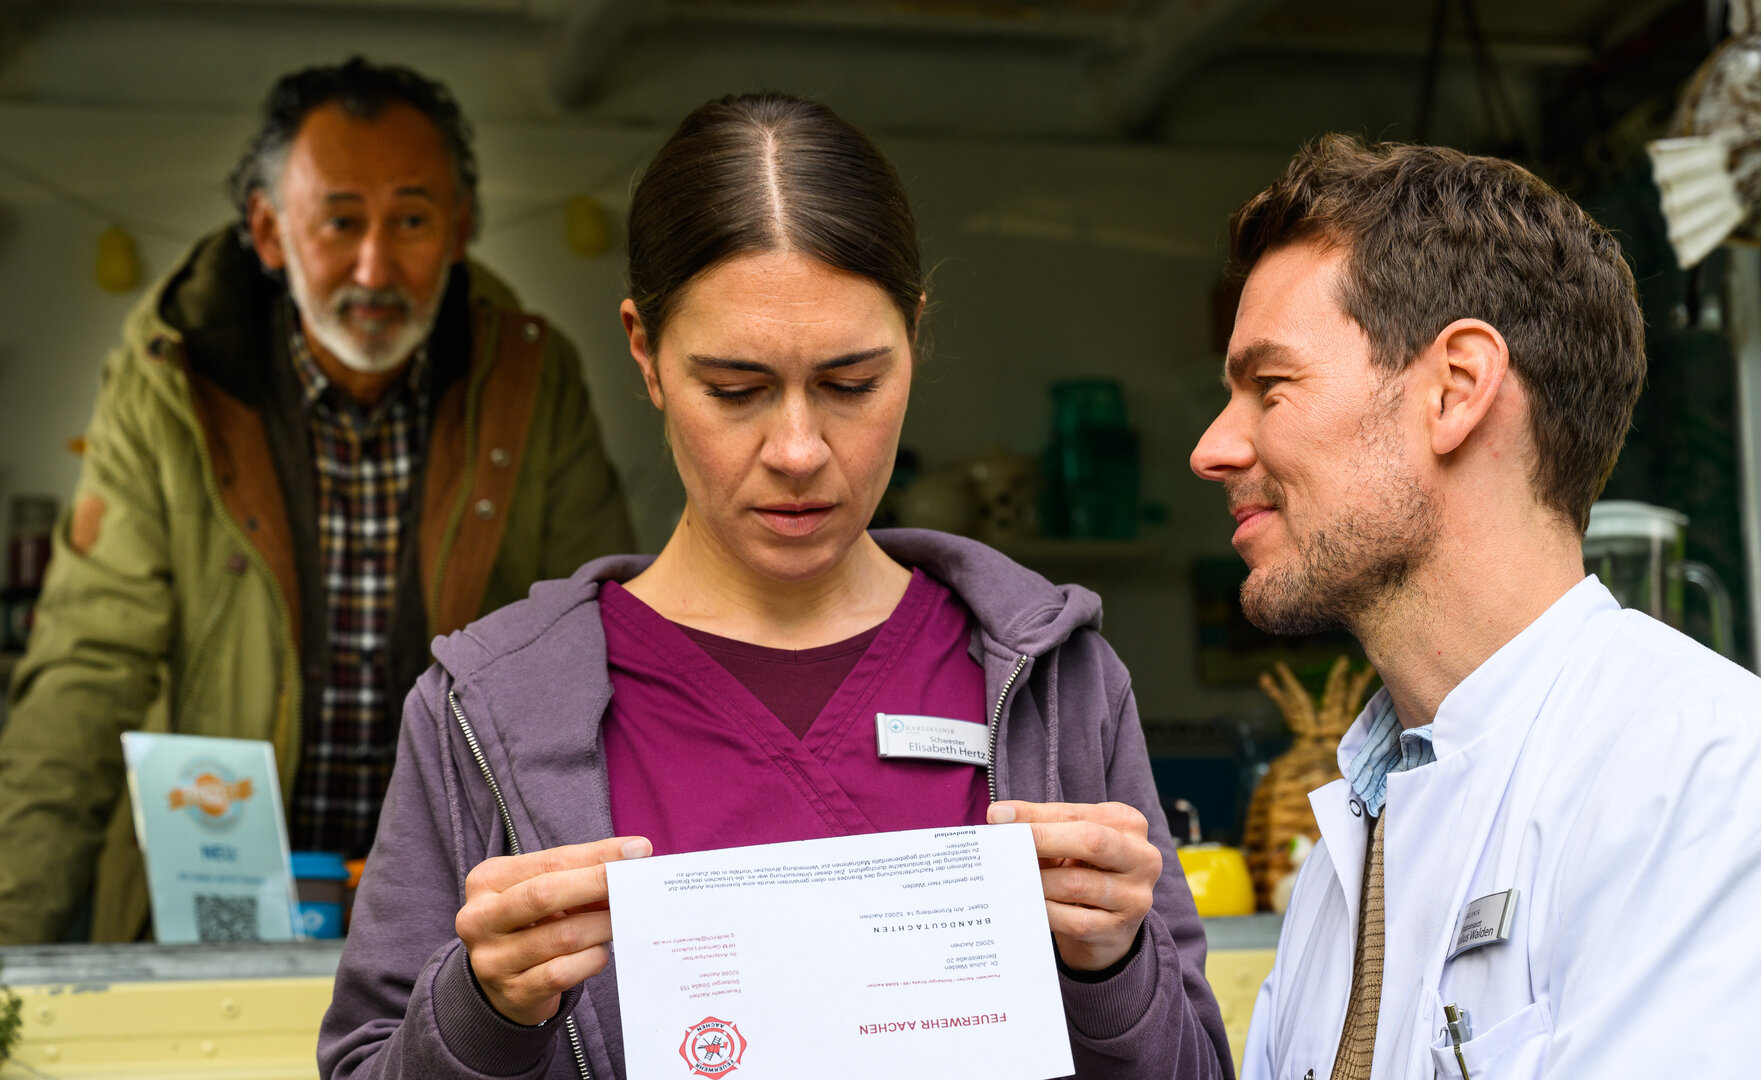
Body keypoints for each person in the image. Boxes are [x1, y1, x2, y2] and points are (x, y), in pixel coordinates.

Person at [318, 92, 1232, 1080]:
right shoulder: (478, 711)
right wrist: (480, 1011)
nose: (798, 451)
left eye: (852, 385)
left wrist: (1115, 971)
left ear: (916, 340)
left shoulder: (1057, 682)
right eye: (735, 391)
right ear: (644, 352)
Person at [1198, 134, 1761, 1079]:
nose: (1215, 447)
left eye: (1269, 386)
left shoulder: (1709, 787)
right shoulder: (1353, 843)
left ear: (1455, 391)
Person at [0, 58, 634, 944]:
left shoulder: (531, 376)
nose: (375, 267)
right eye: (340, 221)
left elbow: (592, 656)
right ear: (268, 231)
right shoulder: (169, 378)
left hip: (456, 923)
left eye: (411, 220)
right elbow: (87, 666)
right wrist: (10, 953)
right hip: (214, 911)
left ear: (458, 230)